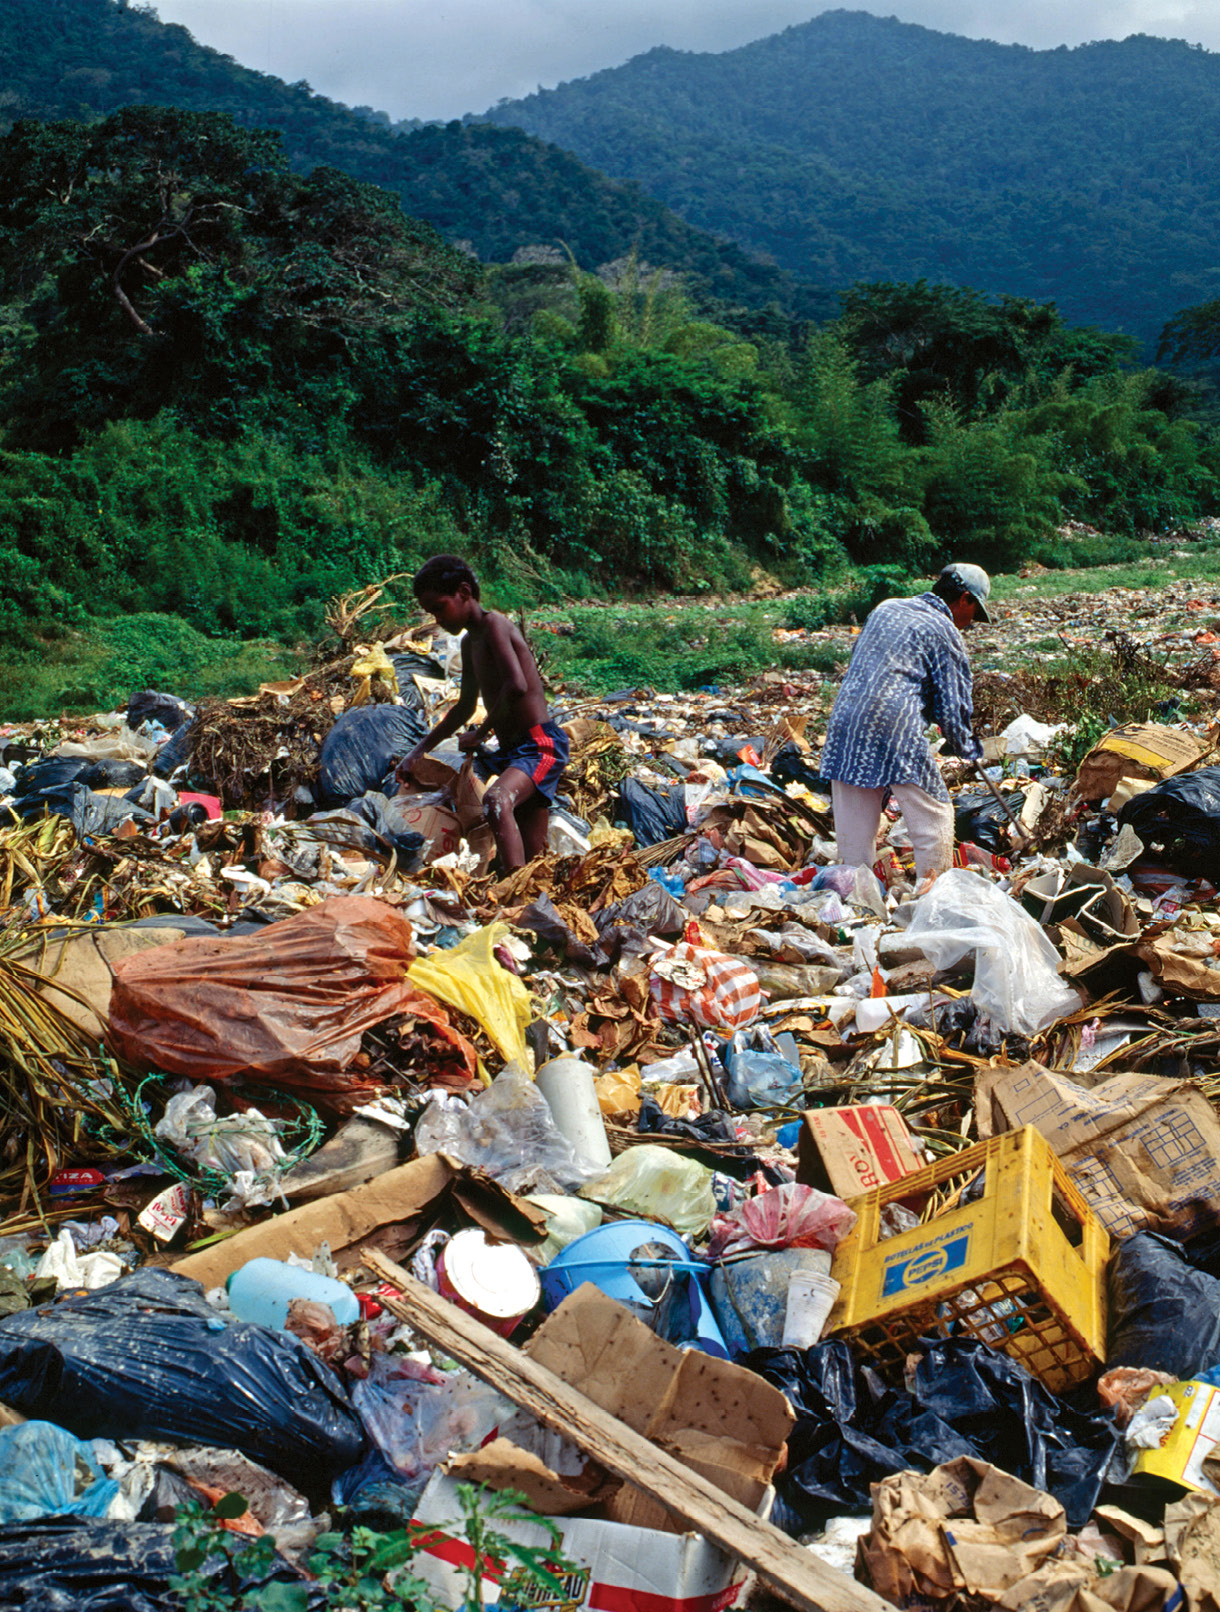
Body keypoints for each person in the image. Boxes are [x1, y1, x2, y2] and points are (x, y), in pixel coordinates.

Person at [819, 563, 990, 889]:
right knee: (936, 815)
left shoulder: (887, 608)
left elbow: (868, 662)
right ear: (965, 598)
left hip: (845, 723)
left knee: (856, 838)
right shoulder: (944, 629)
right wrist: (963, 743)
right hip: (895, 725)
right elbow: (953, 706)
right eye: (975, 613)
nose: (971, 623)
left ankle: (857, 907)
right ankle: (934, 898)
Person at [396, 554, 569, 871]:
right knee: (532, 860)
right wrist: (416, 753)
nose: (437, 618)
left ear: (463, 592)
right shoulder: (468, 644)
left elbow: (516, 684)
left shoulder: (495, 625)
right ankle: (528, 904)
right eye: (431, 611)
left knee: (495, 800)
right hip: (514, 752)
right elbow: (463, 707)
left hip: (539, 745)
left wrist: (482, 732)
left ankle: (514, 900)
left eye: (439, 606)